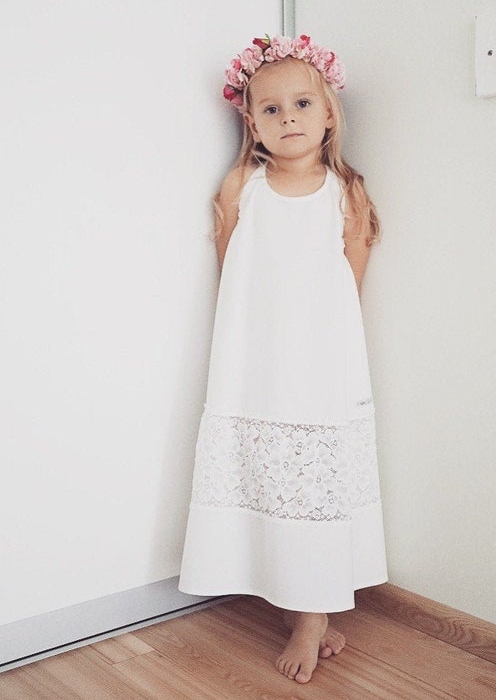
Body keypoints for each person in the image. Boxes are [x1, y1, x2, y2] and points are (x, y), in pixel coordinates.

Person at [179, 34, 387, 684]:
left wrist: (321, 347)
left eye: (302, 104)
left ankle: (314, 615)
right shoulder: (242, 186)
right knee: (265, 477)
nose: (288, 118)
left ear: (328, 113)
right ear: (252, 123)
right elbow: (232, 270)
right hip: (254, 359)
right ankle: (291, 594)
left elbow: (352, 277)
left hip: (319, 362)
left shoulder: (343, 192)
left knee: (315, 485)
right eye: (271, 109)